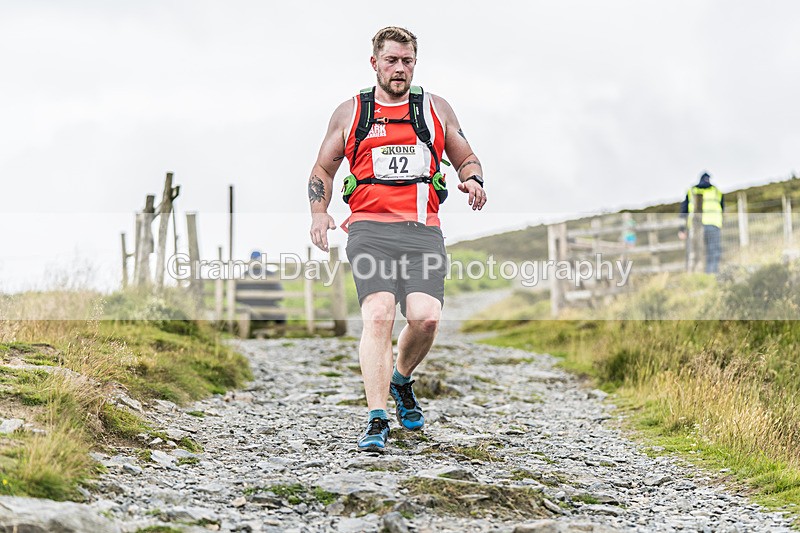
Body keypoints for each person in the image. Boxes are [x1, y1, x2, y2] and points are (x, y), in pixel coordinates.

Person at [306, 26, 486, 452]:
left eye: (407, 61)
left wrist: (473, 179)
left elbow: (466, 156)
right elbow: (323, 170)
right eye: (391, 60)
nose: (399, 68)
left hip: (423, 230)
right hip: (369, 229)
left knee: (426, 319)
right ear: (375, 63)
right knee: (379, 314)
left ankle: (401, 379)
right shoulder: (351, 113)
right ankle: (377, 418)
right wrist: (319, 212)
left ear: (415, 63)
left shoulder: (435, 109)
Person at [679, 171, 724, 273]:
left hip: (696, 226)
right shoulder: (716, 191)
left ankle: (696, 275)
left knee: (694, 252)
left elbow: (683, 211)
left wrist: (681, 229)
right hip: (713, 224)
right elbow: (722, 208)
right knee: (713, 252)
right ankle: (711, 274)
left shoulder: (692, 190)